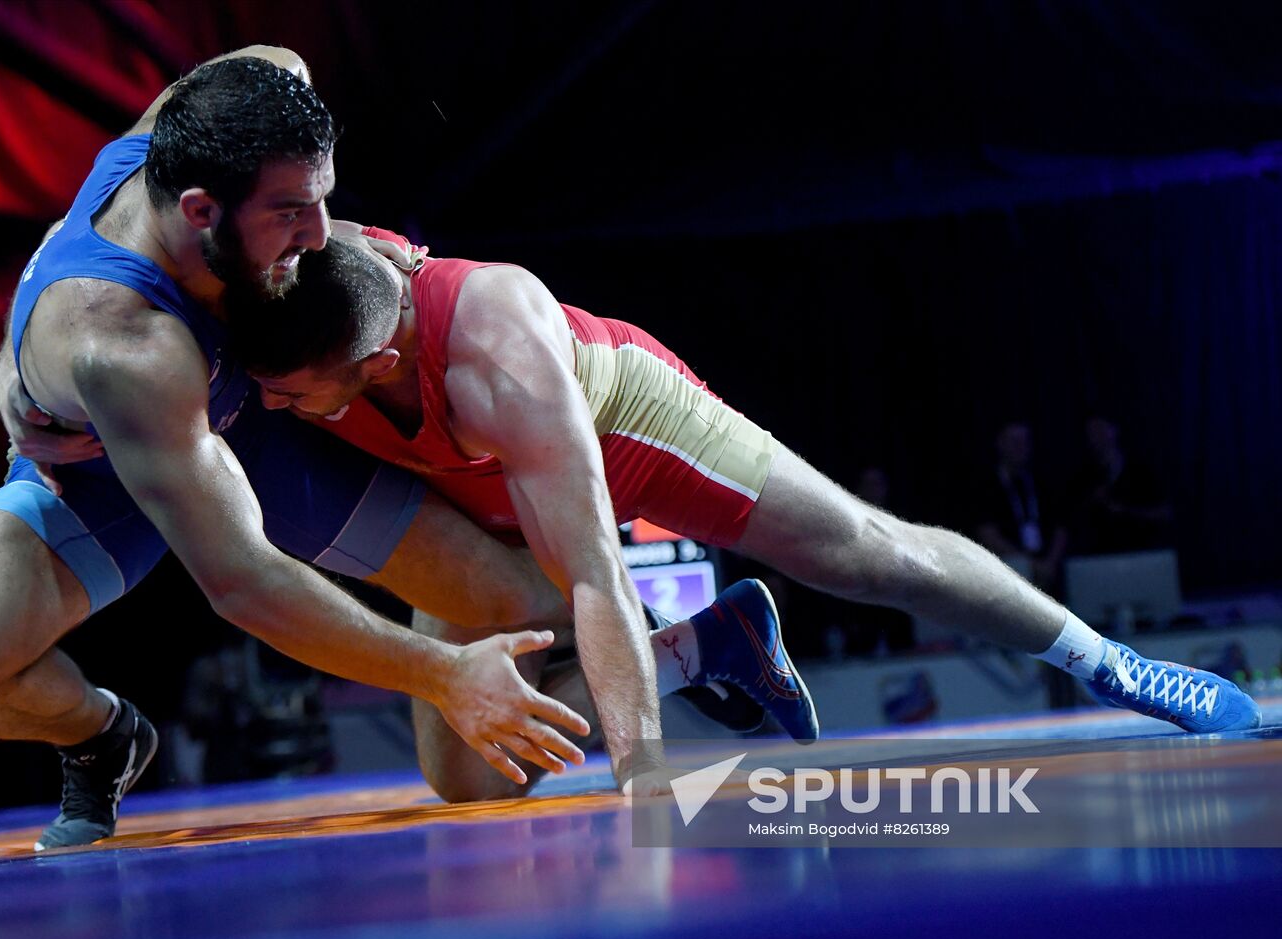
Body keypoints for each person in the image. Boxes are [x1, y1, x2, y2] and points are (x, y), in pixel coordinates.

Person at [225, 234, 1263, 799]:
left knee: (866, 552)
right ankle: (712, 645)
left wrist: (645, 788)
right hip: (460, 492)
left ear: (377, 366)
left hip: (617, 418)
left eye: (294, 397)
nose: (275, 411)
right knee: (465, 775)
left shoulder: (496, 344)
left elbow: (596, 574)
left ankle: (1113, 666)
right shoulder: (298, 275)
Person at [0, 48, 607, 852]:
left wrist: (11, 358)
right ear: (201, 210)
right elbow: (244, 584)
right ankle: (104, 736)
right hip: (105, 478)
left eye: (320, 201)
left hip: (255, 419)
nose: (318, 234)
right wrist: (443, 674)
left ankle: (681, 646)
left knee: (530, 604)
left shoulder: (203, 119)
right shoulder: (122, 342)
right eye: (289, 213)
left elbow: (281, 61)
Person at [974, 421, 1069, 590]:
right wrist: (1029, 564)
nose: (1020, 447)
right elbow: (988, 534)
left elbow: (1060, 527)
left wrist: (1050, 563)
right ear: (1000, 444)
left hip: (1048, 569)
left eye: (1024, 441)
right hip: (1008, 572)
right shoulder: (987, 487)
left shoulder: (1042, 481)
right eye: (1014, 441)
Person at [1068, 415, 1173, 553]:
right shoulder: (1083, 477)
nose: (1096, 436)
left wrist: (1125, 511)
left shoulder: (1141, 472)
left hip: (1139, 554)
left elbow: (1165, 513)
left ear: (1114, 430)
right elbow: (1069, 522)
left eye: (1100, 428)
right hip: (1098, 559)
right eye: (1091, 431)